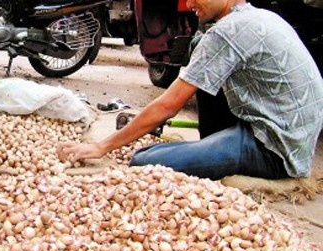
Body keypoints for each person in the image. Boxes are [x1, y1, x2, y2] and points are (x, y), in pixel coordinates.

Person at [58, 0, 323, 180]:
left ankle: (217, 153)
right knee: (199, 48)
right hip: (291, 137)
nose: (188, 3)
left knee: (143, 161)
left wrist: (101, 146)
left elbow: (168, 106)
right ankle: (213, 145)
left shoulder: (229, 31)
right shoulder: (260, 16)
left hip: (273, 150)